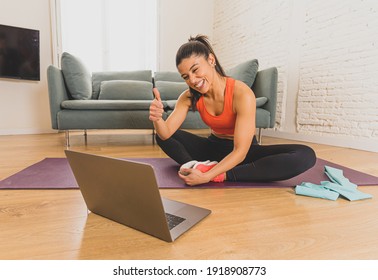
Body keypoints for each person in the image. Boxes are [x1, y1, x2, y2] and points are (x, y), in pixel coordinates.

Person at [149, 35, 316, 186]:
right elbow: (165, 134)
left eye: (195, 70)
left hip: (244, 152)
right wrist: (157, 118)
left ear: (211, 60)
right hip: (212, 147)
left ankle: (221, 174)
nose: (192, 80)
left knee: (305, 155)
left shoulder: (241, 94)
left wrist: (209, 177)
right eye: (185, 76)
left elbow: (241, 151)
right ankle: (194, 167)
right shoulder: (188, 97)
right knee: (163, 135)